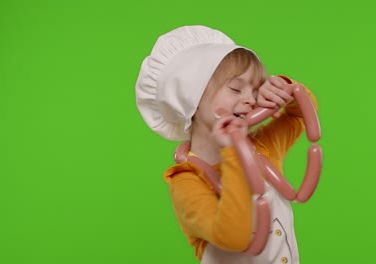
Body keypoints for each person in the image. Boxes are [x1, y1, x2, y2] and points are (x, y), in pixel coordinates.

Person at [135, 25, 318, 264]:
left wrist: (281, 88)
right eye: (235, 88)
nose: (251, 99)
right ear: (192, 98)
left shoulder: (263, 147)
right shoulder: (186, 181)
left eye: (255, 89)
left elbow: (301, 114)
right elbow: (233, 238)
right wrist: (234, 152)